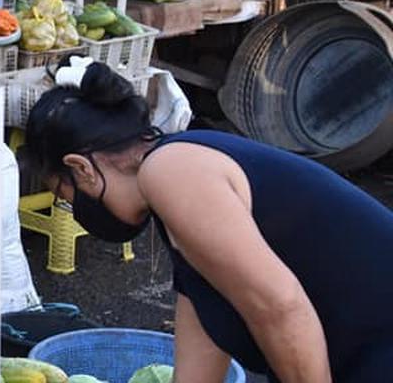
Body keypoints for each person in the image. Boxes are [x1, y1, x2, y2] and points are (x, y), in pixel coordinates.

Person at [23, 57, 393, 382]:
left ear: (81, 169)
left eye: (64, 193)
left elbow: (280, 307)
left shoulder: (171, 171)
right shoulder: (182, 206)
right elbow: (204, 331)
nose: (74, 207)